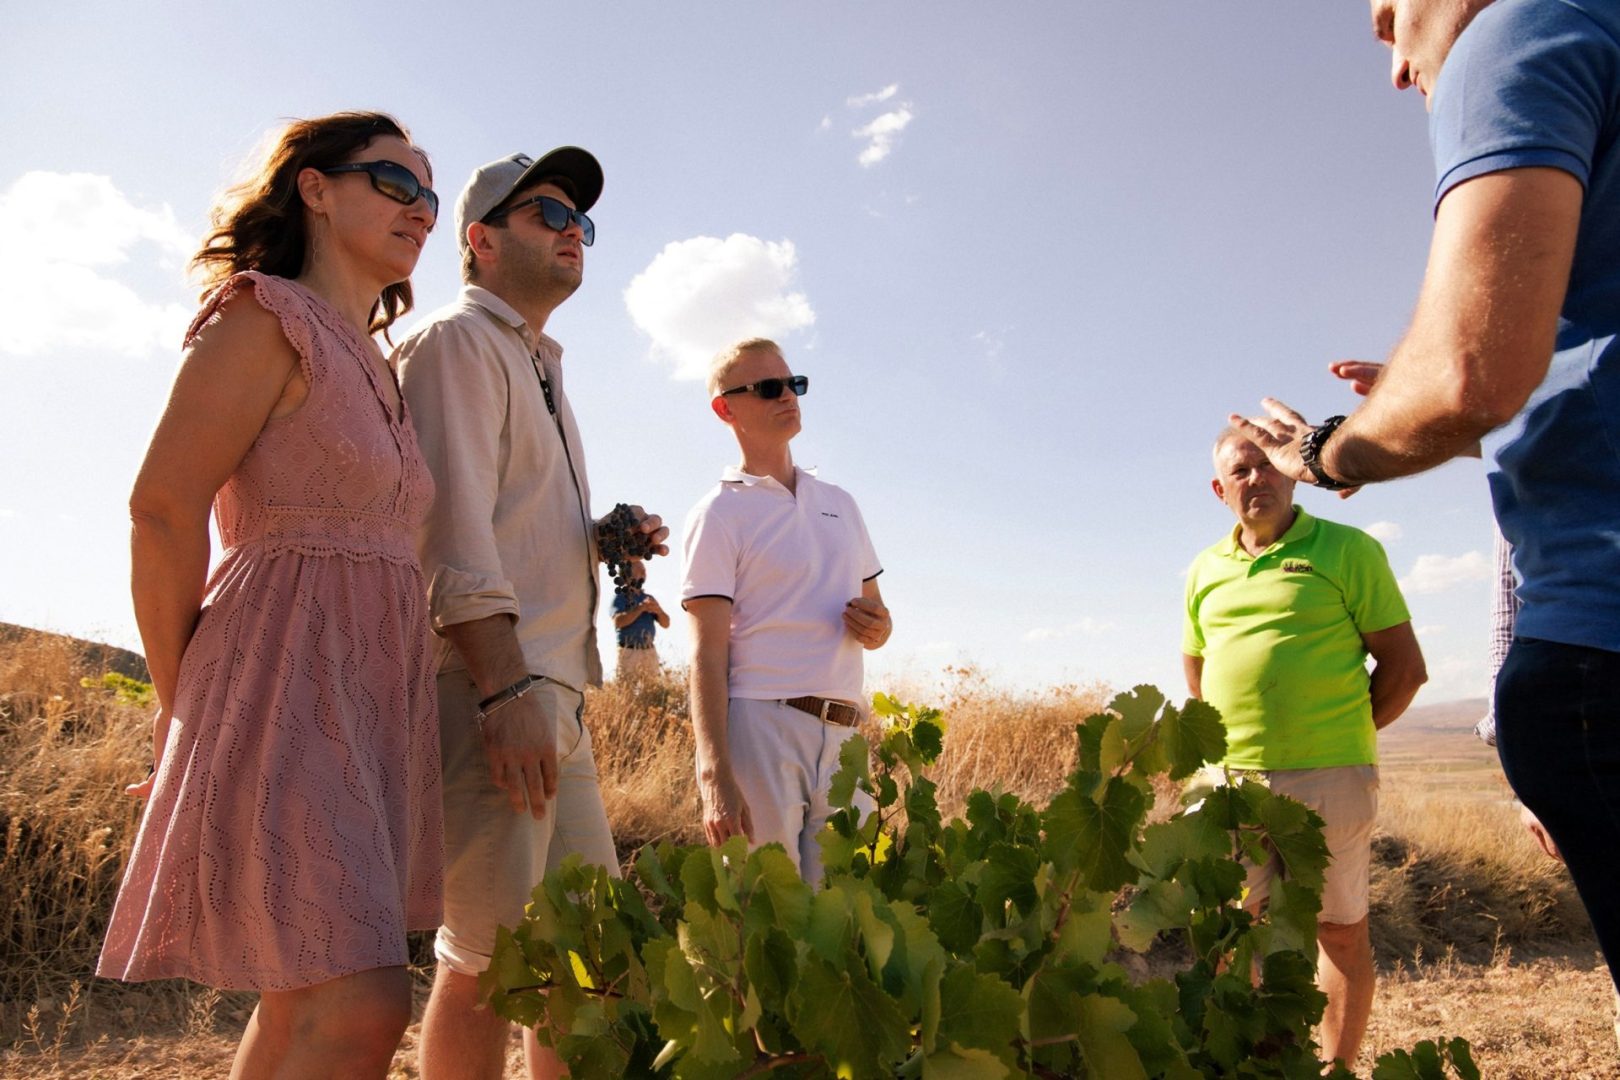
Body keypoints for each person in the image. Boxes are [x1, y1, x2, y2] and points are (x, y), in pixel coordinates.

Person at [1234, 0, 1620, 979]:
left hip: (1601, 646)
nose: (1394, 65)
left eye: (1385, 15)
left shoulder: (1520, 33)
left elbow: (1469, 374)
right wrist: (1433, 415)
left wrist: (1336, 454)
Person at [98, 111, 443, 1078]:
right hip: (277, 675)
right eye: (395, 182)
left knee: (306, 1001)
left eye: (430, 192)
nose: (421, 208)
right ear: (316, 189)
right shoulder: (264, 317)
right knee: (362, 999)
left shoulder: (379, 361)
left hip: (367, 697)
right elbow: (162, 509)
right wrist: (182, 712)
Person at [395, 147, 668, 1080]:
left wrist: (598, 534)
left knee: (588, 960)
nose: (570, 231)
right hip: (499, 688)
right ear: (478, 240)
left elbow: (503, 518)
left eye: (579, 221)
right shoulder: (459, 344)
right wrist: (503, 687)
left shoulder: (533, 360)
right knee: (486, 965)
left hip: (556, 692)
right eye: (547, 212)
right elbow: (448, 530)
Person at [1183, 428, 1427, 1066]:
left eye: (1269, 466)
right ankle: (1256, 1063)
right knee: (1230, 932)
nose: (1257, 478)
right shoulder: (1203, 571)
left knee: (1339, 934)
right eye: (1241, 471)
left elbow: (1404, 669)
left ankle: (1335, 1071)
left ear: (1294, 474)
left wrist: (1340, 734)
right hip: (1230, 783)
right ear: (1220, 490)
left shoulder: (1349, 549)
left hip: (1330, 779)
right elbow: (1197, 670)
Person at [682, 339, 892, 884]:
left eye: (793, 384)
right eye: (769, 388)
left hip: (846, 734)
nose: (788, 397)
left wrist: (879, 627)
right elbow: (706, 653)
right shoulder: (718, 514)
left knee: (841, 923)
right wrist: (714, 774)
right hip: (762, 730)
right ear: (725, 408)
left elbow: (878, 616)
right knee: (764, 922)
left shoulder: (841, 503)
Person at [611, 563, 669, 683]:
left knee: (653, 689)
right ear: (627, 574)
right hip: (628, 651)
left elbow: (666, 623)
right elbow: (618, 622)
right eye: (640, 571)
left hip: (649, 651)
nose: (644, 574)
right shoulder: (621, 597)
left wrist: (658, 611)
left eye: (644, 571)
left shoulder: (648, 598)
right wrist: (640, 608)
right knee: (627, 690)